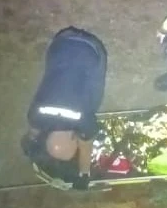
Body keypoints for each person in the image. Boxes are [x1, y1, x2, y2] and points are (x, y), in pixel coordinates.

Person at [21, 26, 110, 190]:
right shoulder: (35, 115)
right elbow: (32, 136)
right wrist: (32, 148)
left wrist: (84, 174)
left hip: (92, 47)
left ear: (74, 138)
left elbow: (86, 145)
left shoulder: (84, 122)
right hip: (60, 41)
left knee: (95, 96)